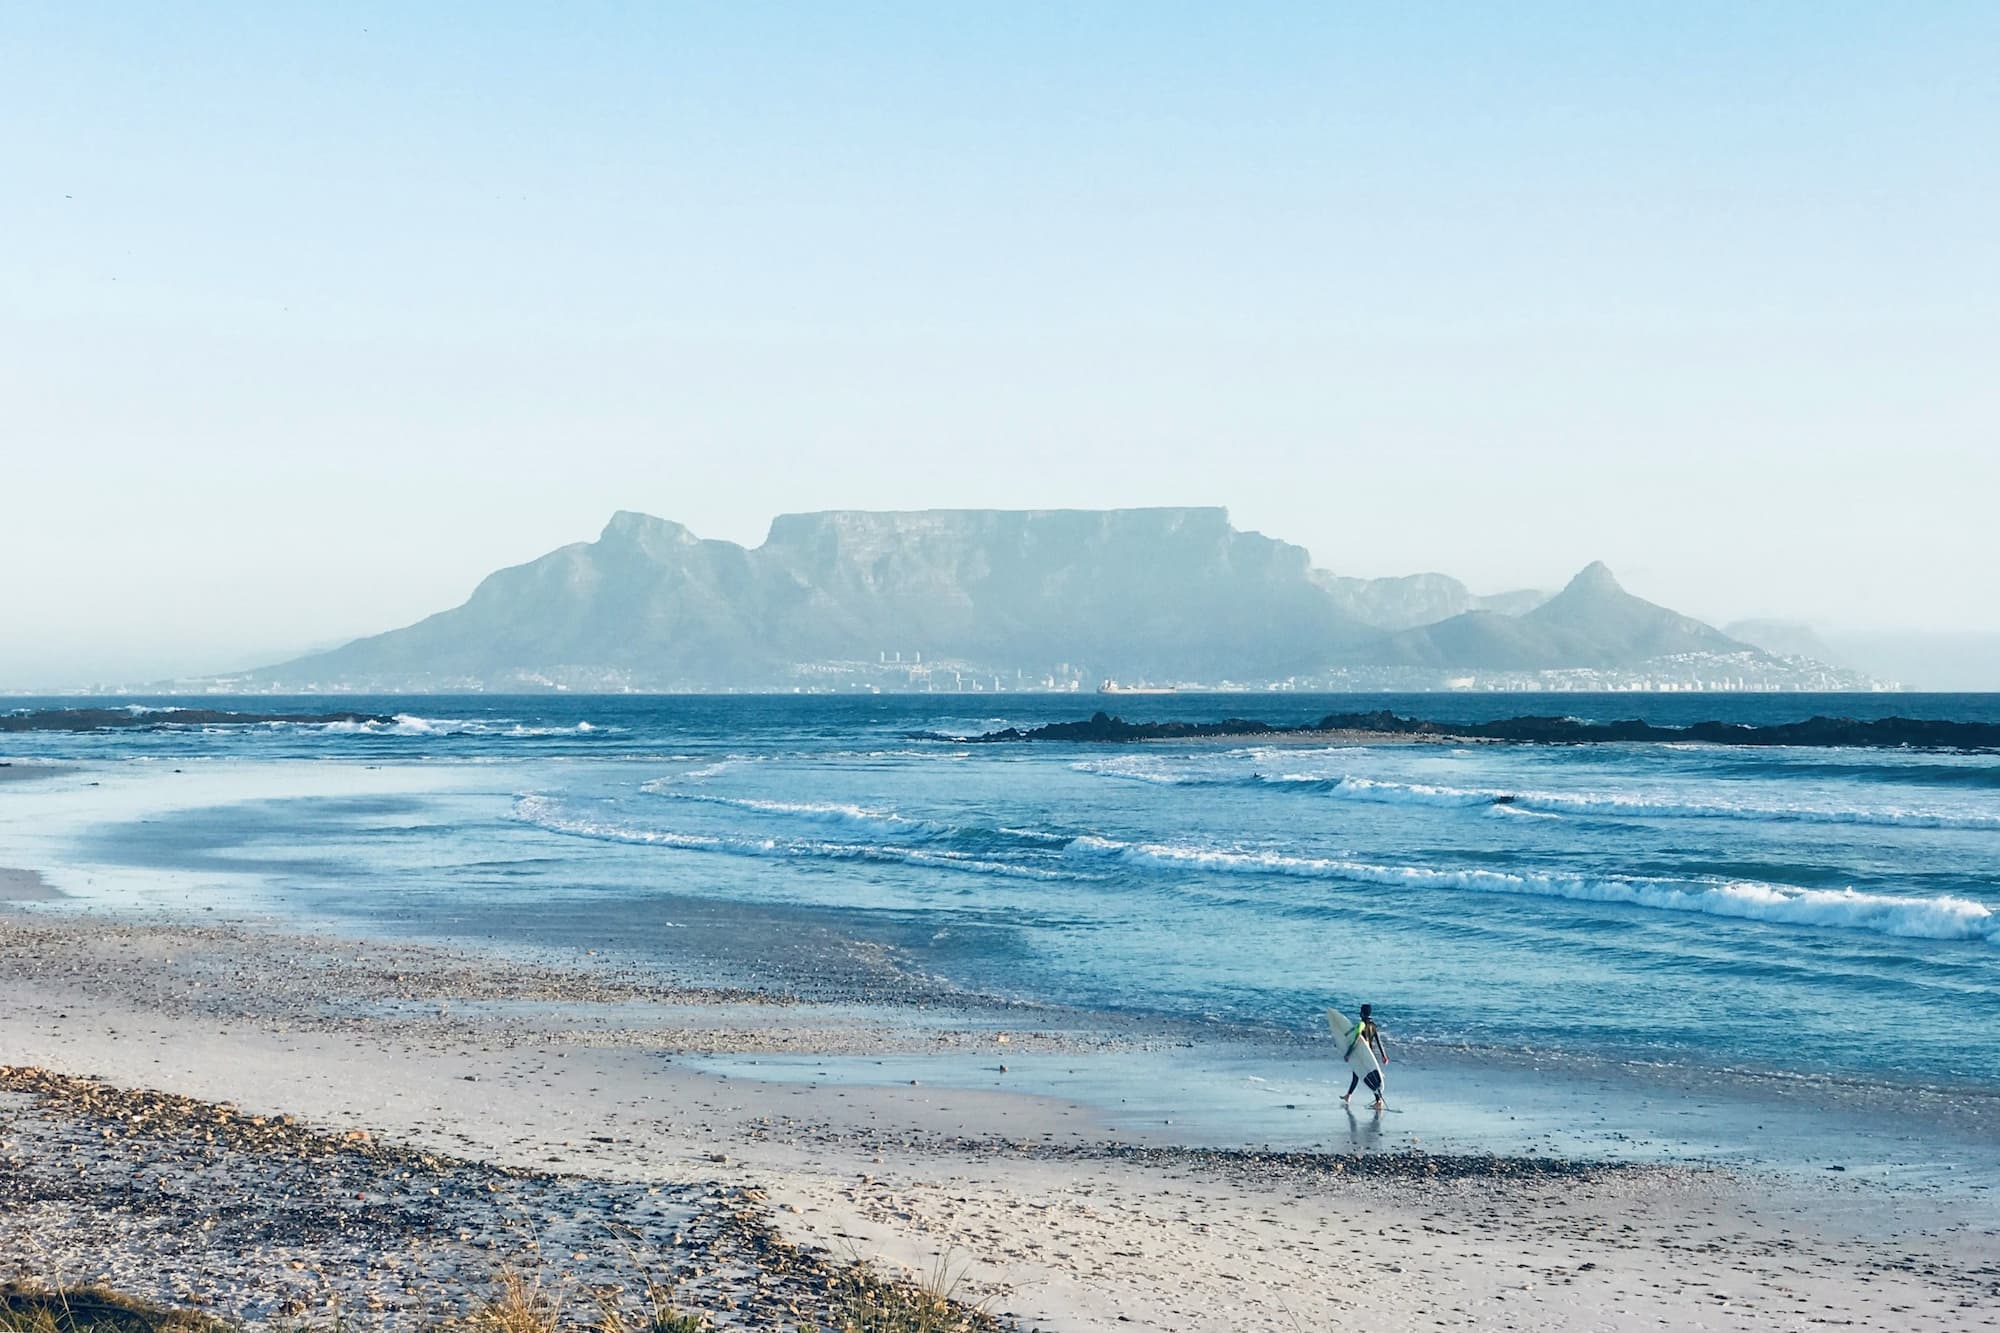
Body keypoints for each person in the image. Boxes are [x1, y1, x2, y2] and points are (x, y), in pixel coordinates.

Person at [1339, 1003, 1389, 1110]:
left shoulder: (1362, 1024)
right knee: (1358, 1075)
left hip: (1361, 1055)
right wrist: (1384, 1056)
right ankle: (1349, 1095)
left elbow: (1356, 1040)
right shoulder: (1373, 1025)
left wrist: (1348, 1053)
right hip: (1371, 1055)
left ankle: (1378, 1101)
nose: (1359, 1013)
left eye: (1360, 1011)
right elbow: (1379, 1041)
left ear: (1362, 1013)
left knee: (1364, 1076)